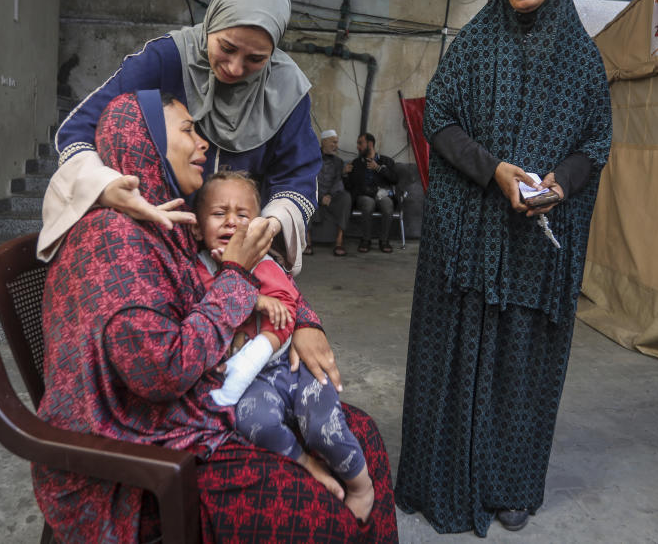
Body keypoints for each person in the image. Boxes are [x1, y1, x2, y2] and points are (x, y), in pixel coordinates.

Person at [32, 90, 397, 542]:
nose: (203, 142)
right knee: (325, 512)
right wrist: (237, 277)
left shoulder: (168, 222)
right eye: (187, 130)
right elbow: (162, 371)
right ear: (143, 140)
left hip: (197, 408)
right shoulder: (113, 240)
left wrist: (301, 319)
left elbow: (265, 279)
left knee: (363, 437)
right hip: (141, 453)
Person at [394, 0, 612, 537]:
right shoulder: (474, 44)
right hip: (467, 235)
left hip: (532, 246)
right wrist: (493, 170)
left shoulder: (581, 57)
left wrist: (560, 185)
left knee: (522, 361)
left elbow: (595, 143)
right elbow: (438, 116)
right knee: (452, 354)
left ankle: (512, 488)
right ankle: (434, 476)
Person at [38, 0, 319, 278]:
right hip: (153, 244)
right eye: (226, 47)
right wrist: (106, 185)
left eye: (256, 59)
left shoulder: (287, 90)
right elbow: (80, 131)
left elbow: (297, 177)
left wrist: (269, 225)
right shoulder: (166, 60)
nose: (235, 68)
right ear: (212, 22)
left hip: (238, 256)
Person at [192, 170, 374, 521]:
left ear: (258, 225)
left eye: (242, 215)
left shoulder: (265, 263)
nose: (232, 221)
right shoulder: (196, 270)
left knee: (324, 426)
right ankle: (302, 462)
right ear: (198, 227)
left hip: (292, 365)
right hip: (254, 380)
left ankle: (360, 485)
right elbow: (204, 306)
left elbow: (287, 302)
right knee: (252, 421)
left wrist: (262, 296)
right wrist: (254, 300)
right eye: (219, 214)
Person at [343, 133, 399, 253]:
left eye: (360, 143)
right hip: (365, 195)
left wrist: (378, 168)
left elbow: (394, 179)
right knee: (368, 205)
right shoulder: (356, 163)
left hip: (383, 194)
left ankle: (383, 241)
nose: (358, 147)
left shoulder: (387, 161)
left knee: (388, 206)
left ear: (370, 144)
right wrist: (345, 174)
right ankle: (366, 240)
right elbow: (351, 185)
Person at [305, 129, 352, 256]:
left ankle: (339, 241)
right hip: (314, 195)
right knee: (303, 195)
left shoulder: (338, 162)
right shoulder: (312, 159)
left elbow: (338, 181)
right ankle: (307, 241)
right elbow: (308, 180)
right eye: (333, 142)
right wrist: (320, 197)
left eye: (336, 143)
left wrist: (330, 195)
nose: (336, 146)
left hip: (331, 197)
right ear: (324, 142)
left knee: (346, 197)